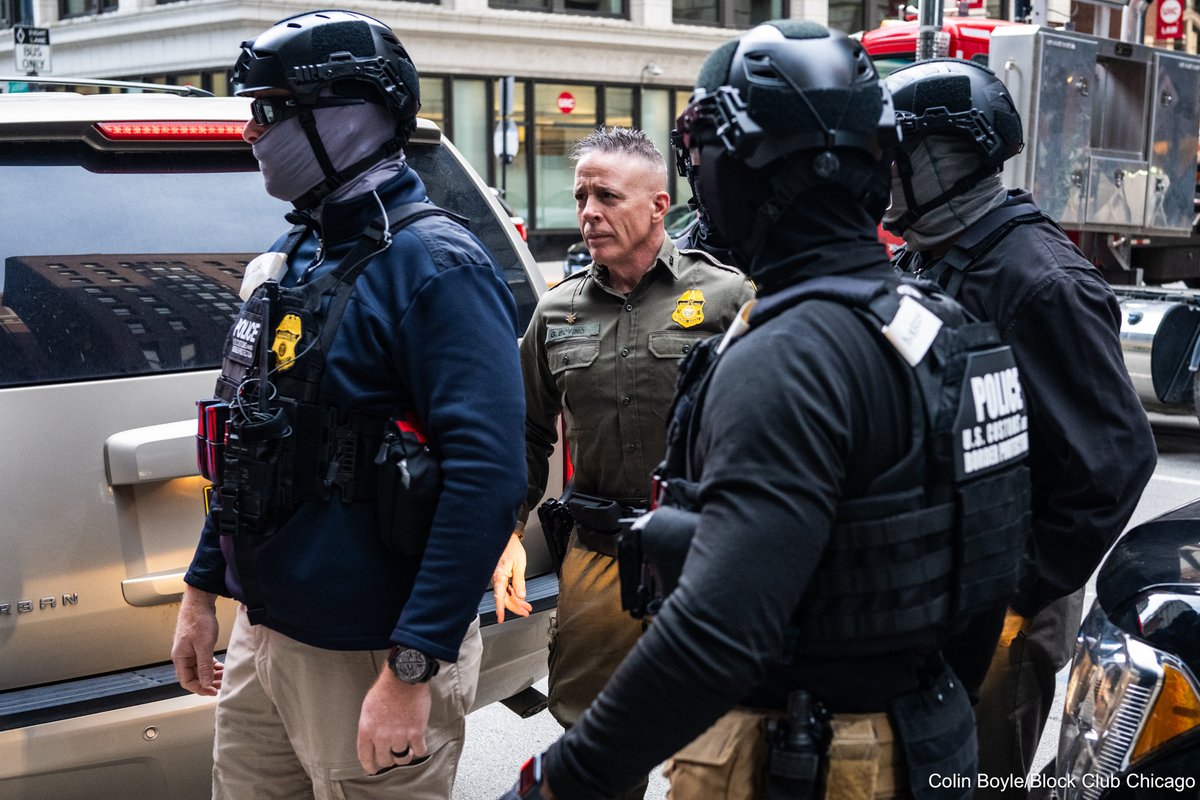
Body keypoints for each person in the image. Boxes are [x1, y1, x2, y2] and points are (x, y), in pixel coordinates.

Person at [499, 22, 1032, 800]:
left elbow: (718, 629)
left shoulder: (789, 355)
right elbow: (985, 582)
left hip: (805, 758)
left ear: (743, 168)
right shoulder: (947, 330)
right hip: (928, 734)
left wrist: (562, 780)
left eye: (704, 152)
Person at [171, 10, 526, 799]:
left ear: (347, 116)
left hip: (372, 654)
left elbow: (488, 478)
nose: (252, 135)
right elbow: (246, 439)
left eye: (269, 112)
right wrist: (202, 592)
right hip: (264, 638)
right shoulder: (301, 249)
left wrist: (411, 668)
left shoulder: (436, 266)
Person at [882, 58, 1158, 794]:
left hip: (1001, 613)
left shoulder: (1037, 280)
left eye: (899, 157)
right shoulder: (933, 258)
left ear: (949, 161)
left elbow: (1116, 460)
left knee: (971, 779)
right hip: (934, 596)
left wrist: (1017, 591)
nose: (884, 175)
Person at [489, 126, 753, 798]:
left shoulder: (727, 299)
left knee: (726, 740)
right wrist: (504, 537)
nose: (588, 212)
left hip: (708, 561)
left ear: (659, 204)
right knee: (592, 745)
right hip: (601, 562)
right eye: (580, 196)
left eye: (606, 195)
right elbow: (523, 433)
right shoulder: (557, 313)